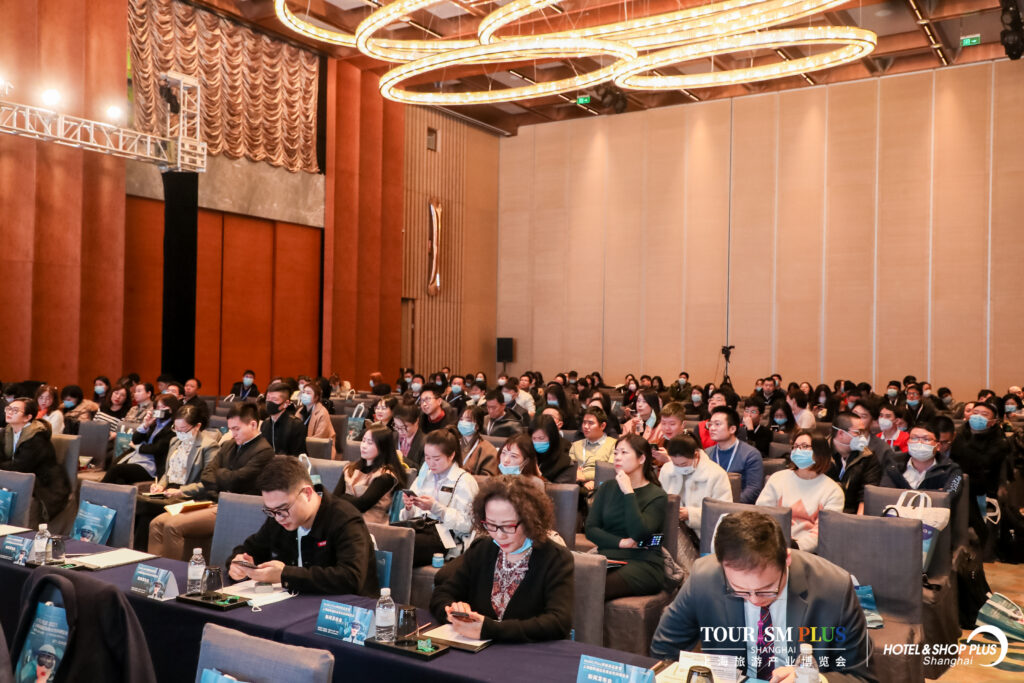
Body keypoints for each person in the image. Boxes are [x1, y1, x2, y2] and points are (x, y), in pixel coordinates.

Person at [650, 512, 875, 682]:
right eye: (740, 590)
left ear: (786, 559)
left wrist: (816, 679)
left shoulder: (834, 587)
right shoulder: (704, 577)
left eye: (767, 589)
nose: (755, 600)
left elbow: (861, 676)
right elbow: (664, 650)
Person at [430, 476, 574, 642]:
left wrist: (489, 629)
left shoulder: (555, 558)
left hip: (528, 652)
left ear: (530, 520)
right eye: (491, 525)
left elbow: (558, 623)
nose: (499, 535)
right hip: (477, 648)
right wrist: (452, 612)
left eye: (508, 526)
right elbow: (442, 594)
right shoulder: (483, 549)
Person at [228, 455, 379, 595]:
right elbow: (251, 549)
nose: (278, 518)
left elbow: (351, 578)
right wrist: (239, 564)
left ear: (307, 493)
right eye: (270, 511)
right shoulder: (279, 518)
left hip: (343, 609)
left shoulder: (344, 518)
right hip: (295, 602)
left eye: (283, 509)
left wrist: (285, 574)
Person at [148, 404, 275, 560]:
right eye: (230, 429)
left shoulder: (264, 450)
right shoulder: (229, 445)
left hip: (234, 507)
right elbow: (207, 475)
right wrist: (224, 477)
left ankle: (173, 571)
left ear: (253, 425)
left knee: (172, 525)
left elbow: (236, 481)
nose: (232, 434)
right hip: (211, 501)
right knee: (156, 523)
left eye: (236, 429)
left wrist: (220, 474)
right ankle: (153, 569)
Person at [585, 434, 668, 600]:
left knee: (594, 586)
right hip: (608, 558)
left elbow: (639, 533)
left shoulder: (657, 495)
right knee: (569, 580)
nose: (617, 457)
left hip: (643, 563)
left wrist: (628, 493)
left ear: (641, 458)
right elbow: (591, 529)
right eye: (616, 453)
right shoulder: (607, 487)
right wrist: (621, 542)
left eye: (624, 453)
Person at [135, 405, 220, 549]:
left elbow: (208, 482)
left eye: (183, 430)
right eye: (176, 429)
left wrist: (181, 491)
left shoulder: (208, 446)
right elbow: (168, 472)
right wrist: (160, 485)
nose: (179, 433)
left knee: (145, 510)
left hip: (189, 496)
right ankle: (140, 555)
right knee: (142, 512)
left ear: (197, 426)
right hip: (168, 492)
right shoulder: (175, 441)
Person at [399, 428, 480, 566]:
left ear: (451, 455)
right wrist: (408, 507)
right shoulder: (424, 477)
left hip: (446, 536)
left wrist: (436, 508)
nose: (431, 463)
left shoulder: (464, 481)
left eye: (436, 459)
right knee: (390, 539)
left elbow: (469, 524)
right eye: (427, 457)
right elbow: (408, 517)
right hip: (419, 529)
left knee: (404, 546)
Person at [756, 430, 845, 553]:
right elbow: (761, 515)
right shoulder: (777, 478)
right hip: (772, 546)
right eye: (795, 446)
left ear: (819, 451)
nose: (798, 450)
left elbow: (823, 532)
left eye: (804, 446)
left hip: (808, 553)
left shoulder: (833, 491)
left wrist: (794, 547)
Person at [658, 433, 731, 565]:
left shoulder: (716, 474)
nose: (679, 468)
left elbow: (724, 514)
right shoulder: (667, 470)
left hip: (704, 536)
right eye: (675, 464)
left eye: (684, 464)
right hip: (672, 531)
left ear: (696, 455)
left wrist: (691, 514)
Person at [0, 397, 70, 522]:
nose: (9, 412)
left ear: (28, 417)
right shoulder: (7, 432)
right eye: (8, 409)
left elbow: (20, 467)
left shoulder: (37, 438)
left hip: (43, 482)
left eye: (15, 410)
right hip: (14, 477)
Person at [951, 399, 1011, 531]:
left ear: (993, 421)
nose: (978, 417)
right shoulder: (957, 436)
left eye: (984, 414)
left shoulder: (999, 442)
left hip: (984, 490)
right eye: (975, 413)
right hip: (958, 484)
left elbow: (989, 468)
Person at [103, 394, 181, 485]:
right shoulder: (153, 423)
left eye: (163, 407)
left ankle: (95, 491)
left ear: (172, 408)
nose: (160, 410)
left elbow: (157, 448)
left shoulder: (174, 427)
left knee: (116, 470)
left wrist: (137, 447)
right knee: (119, 479)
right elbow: (135, 440)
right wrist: (145, 425)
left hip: (151, 465)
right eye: (157, 407)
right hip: (136, 459)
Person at [334, 426, 405, 524]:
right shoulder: (350, 468)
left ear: (382, 447)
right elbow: (335, 497)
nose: (364, 446)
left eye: (370, 443)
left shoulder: (386, 475)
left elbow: (362, 505)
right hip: (345, 520)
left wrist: (344, 497)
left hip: (370, 525)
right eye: (363, 441)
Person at [880, 422, 963, 496]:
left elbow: (948, 496)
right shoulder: (893, 465)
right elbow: (884, 495)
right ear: (908, 442)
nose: (919, 443)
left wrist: (901, 493)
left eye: (926, 439)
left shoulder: (951, 469)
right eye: (914, 438)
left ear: (938, 446)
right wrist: (936, 493)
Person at [705, 406, 764, 504]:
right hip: (711, 505)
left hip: (738, 507)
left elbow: (753, 489)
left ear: (732, 429)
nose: (712, 428)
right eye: (710, 424)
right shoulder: (706, 454)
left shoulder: (751, 454)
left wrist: (728, 504)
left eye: (717, 424)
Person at [828, 411, 881, 514]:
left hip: (850, 512)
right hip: (821, 510)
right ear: (841, 433)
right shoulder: (819, 452)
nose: (862, 436)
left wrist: (858, 520)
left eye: (863, 432)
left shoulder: (868, 456)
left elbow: (867, 494)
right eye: (858, 432)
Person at [569, 406, 615, 493]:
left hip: (602, 486)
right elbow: (570, 470)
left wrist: (585, 477)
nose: (586, 426)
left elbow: (609, 471)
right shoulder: (575, 445)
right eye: (584, 422)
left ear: (602, 426)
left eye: (590, 423)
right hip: (577, 486)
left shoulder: (614, 444)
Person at [261, 381, 306, 455]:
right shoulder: (265, 424)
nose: (269, 402)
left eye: (274, 399)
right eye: (268, 398)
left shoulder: (296, 425)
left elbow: (297, 457)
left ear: (286, 403)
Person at [529, 414, 575, 484]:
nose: (537, 442)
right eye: (534, 438)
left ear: (552, 437)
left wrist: (539, 475)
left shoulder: (566, 462)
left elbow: (561, 489)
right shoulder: (528, 454)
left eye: (541, 438)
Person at [457, 406, 499, 476]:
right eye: (461, 419)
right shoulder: (453, 444)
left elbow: (488, 478)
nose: (463, 423)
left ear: (477, 426)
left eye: (468, 420)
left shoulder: (488, 449)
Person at [393, 403, 426, 470]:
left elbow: (423, 471)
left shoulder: (426, 443)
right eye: (396, 426)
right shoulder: (393, 436)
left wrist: (402, 458)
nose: (400, 431)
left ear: (416, 421)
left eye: (404, 427)